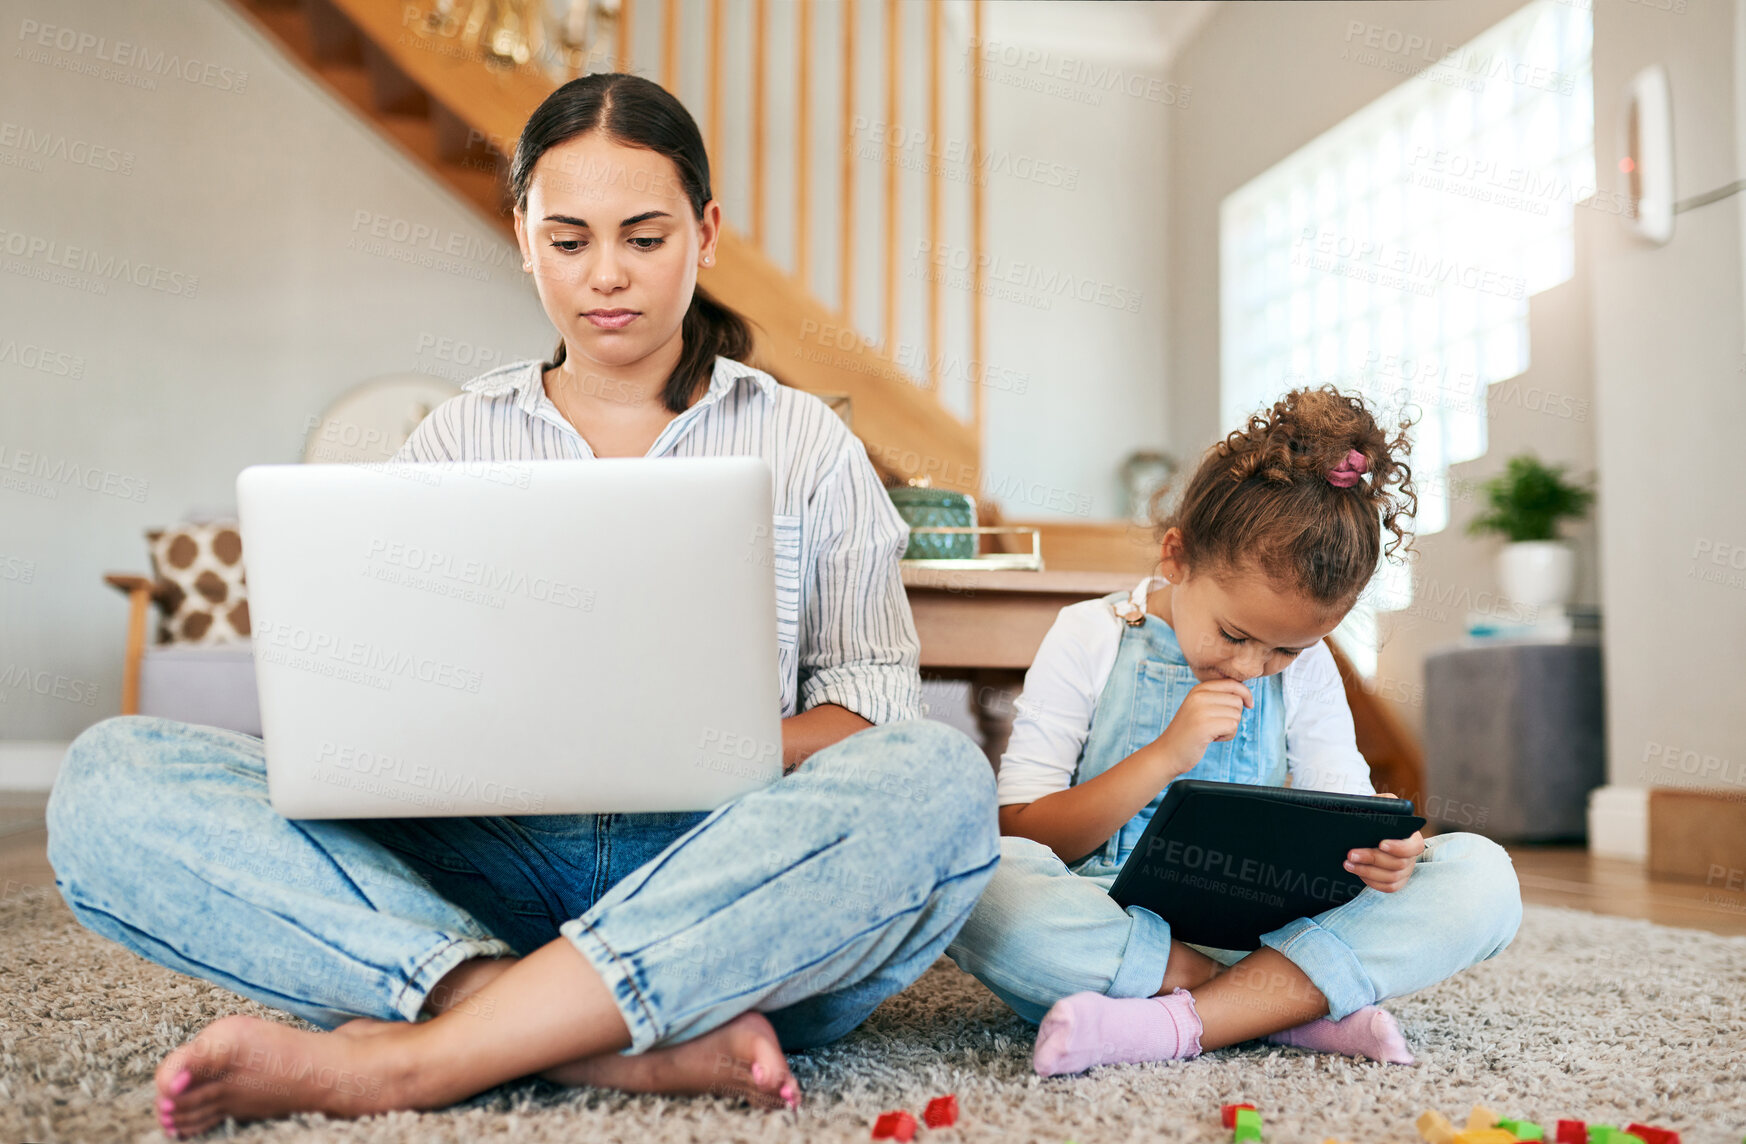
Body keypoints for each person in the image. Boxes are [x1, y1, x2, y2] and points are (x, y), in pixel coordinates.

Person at [46, 73, 999, 1139]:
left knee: (942, 782)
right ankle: (564, 1025)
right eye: (569, 239)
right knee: (105, 781)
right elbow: (367, 698)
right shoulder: (456, 440)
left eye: (645, 238)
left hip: (719, 870)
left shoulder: (809, 445)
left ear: (707, 233)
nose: (606, 277)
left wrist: (701, 746)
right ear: (523, 236)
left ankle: (420, 1054)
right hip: (485, 865)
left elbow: (873, 713)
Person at [944, 386, 1523, 1077]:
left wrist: (1388, 853)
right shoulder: (1089, 634)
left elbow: (1346, 810)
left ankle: (1177, 1020)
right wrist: (1165, 757)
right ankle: (1284, 1009)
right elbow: (1024, 834)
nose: (1253, 667)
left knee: (1484, 878)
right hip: (1109, 920)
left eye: (1285, 652)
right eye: (1234, 634)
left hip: (1268, 933)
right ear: (1176, 556)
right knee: (972, 878)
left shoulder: (1305, 672)